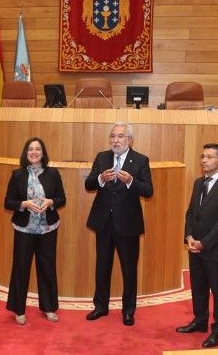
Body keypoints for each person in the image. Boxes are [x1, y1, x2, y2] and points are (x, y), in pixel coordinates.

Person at [85, 122, 153, 326]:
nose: (115, 140)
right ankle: (100, 306)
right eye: (113, 136)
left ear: (129, 140)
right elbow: (88, 183)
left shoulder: (140, 160)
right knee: (102, 266)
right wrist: (100, 178)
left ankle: (128, 310)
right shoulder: (102, 157)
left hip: (128, 225)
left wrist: (131, 181)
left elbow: (148, 190)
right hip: (104, 222)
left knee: (129, 269)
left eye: (120, 136)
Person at [176, 143, 218, 348]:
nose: (204, 160)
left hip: (214, 250)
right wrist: (189, 237)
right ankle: (200, 320)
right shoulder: (198, 183)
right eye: (203, 156)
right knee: (198, 287)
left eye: (209, 157)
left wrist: (204, 243)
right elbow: (191, 213)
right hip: (195, 246)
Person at [4, 137, 66, 325]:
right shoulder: (17, 175)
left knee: (47, 267)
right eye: (30, 149)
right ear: (26, 153)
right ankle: (19, 310)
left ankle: (49, 308)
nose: (34, 152)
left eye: (38, 149)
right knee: (21, 268)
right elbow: (8, 202)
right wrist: (24, 204)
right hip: (24, 228)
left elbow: (62, 198)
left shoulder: (53, 173)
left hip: (48, 228)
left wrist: (50, 202)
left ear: (43, 153)